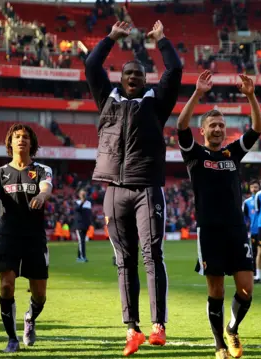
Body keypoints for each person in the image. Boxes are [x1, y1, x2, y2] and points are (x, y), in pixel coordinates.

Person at [85, 19, 182, 355]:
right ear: (121, 78)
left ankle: (158, 325)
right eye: (128, 74)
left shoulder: (157, 103)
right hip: (114, 189)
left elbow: (175, 69)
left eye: (139, 75)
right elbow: (91, 64)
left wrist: (161, 40)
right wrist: (111, 37)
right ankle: (132, 329)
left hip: (146, 188)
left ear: (144, 80)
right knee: (124, 262)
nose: (133, 79)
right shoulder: (106, 98)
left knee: (151, 256)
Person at [177, 71, 261, 359]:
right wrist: (197, 94)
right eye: (212, 125)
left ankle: (233, 327)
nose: (217, 129)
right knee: (216, 291)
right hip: (209, 231)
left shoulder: (231, 155)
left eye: (221, 125)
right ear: (203, 130)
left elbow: (257, 128)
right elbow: (180, 125)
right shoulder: (195, 156)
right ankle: (219, 345)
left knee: (246, 290)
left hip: (237, 229)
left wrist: (250, 95)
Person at [0, 124, 53, 353]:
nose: (21, 140)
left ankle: (30, 318)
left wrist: (42, 195)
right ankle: (12, 338)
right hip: (8, 236)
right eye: (17, 137)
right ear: (10, 143)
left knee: (39, 294)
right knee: (6, 286)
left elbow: (46, 187)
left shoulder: (42, 169)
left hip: (35, 237)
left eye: (25, 137)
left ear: (32, 143)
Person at [74, 188, 92, 262]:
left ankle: (79, 257)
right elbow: (77, 209)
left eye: (84, 194)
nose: (84, 196)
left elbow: (88, 215)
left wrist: (89, 224)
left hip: (86, 225)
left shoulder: (89, 203)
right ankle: (82, 257)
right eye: (82, 194)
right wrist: (82, 202)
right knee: (81, 241)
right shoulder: (77, 202)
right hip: (79, 225)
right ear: (79, 195)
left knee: (81, 241)